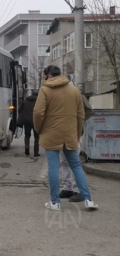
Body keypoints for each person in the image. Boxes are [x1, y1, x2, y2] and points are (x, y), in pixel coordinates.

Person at [33, 65, 98, 211]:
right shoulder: (74, 91)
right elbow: (81, 115)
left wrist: (39, 129)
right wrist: (76, 133)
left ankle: (55, 202)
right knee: (76, 165)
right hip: (69, 135)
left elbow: (38, 113)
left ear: (48, 76)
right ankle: (88, 199)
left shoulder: (45, 90)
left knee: (53, 167)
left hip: (51, 135)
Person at [59, 79, 95, 202]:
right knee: (64, 162)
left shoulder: (78, 95)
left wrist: (78, 122)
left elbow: (89, 111)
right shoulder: (59, 97)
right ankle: (67, 188)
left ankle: (77, 190)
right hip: (61, 134)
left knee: (74, 163)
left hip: (74, 133)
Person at [17, 89, 40, 156]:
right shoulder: (39, 102)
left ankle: (27, 147)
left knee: (27, 135)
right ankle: (36, 152)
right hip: (35, 121)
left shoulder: (26, 101)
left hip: (26, 121)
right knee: (37, 136)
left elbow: (19, 110)